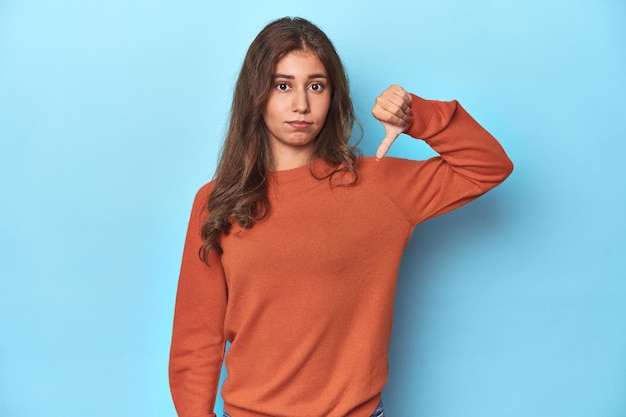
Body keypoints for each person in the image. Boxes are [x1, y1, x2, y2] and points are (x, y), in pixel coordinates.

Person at [169, 16, 513, 417]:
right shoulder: (217, 201)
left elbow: (488, 166)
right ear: (256, 95)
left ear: (333, 95)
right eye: (283, 85)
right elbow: (197, 338)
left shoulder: (379, 186)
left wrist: (415, 115)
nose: (301, 103)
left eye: (316, 85)